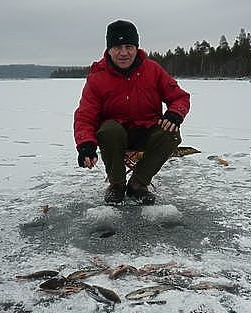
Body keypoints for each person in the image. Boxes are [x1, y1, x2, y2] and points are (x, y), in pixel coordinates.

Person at [74, 19, 190, 205]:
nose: (124, 53)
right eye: (117, 47)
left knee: (172, 133)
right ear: (109, 49)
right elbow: (85, 116)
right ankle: (117, 185)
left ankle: (138, 184)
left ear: (136, 47)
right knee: (109, 129)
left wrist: (175, 113)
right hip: (115, 137)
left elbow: (180, 97)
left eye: (129, 46)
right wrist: (85, 144)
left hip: (147, 130)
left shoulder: (153, 70)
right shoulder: (97, 78)